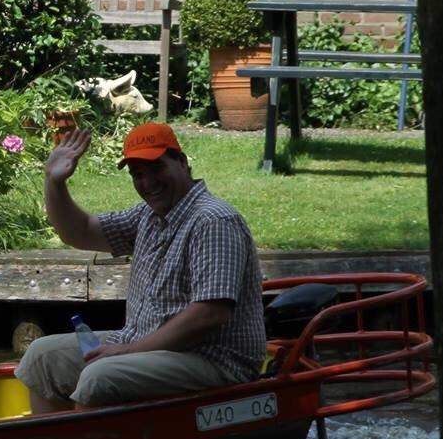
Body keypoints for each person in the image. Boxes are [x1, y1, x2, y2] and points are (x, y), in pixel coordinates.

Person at [16, 122, 266, 411]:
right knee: (40, 357)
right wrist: (54, 182)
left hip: (212, 359)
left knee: (100, 376)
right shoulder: (148, 216)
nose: (148, 183)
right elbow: (81, 231)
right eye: (138, 174)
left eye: (156, 168)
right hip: (146, 343)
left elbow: (209, 314)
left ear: (182, 162)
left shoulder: (214, 221)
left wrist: (127, 351)